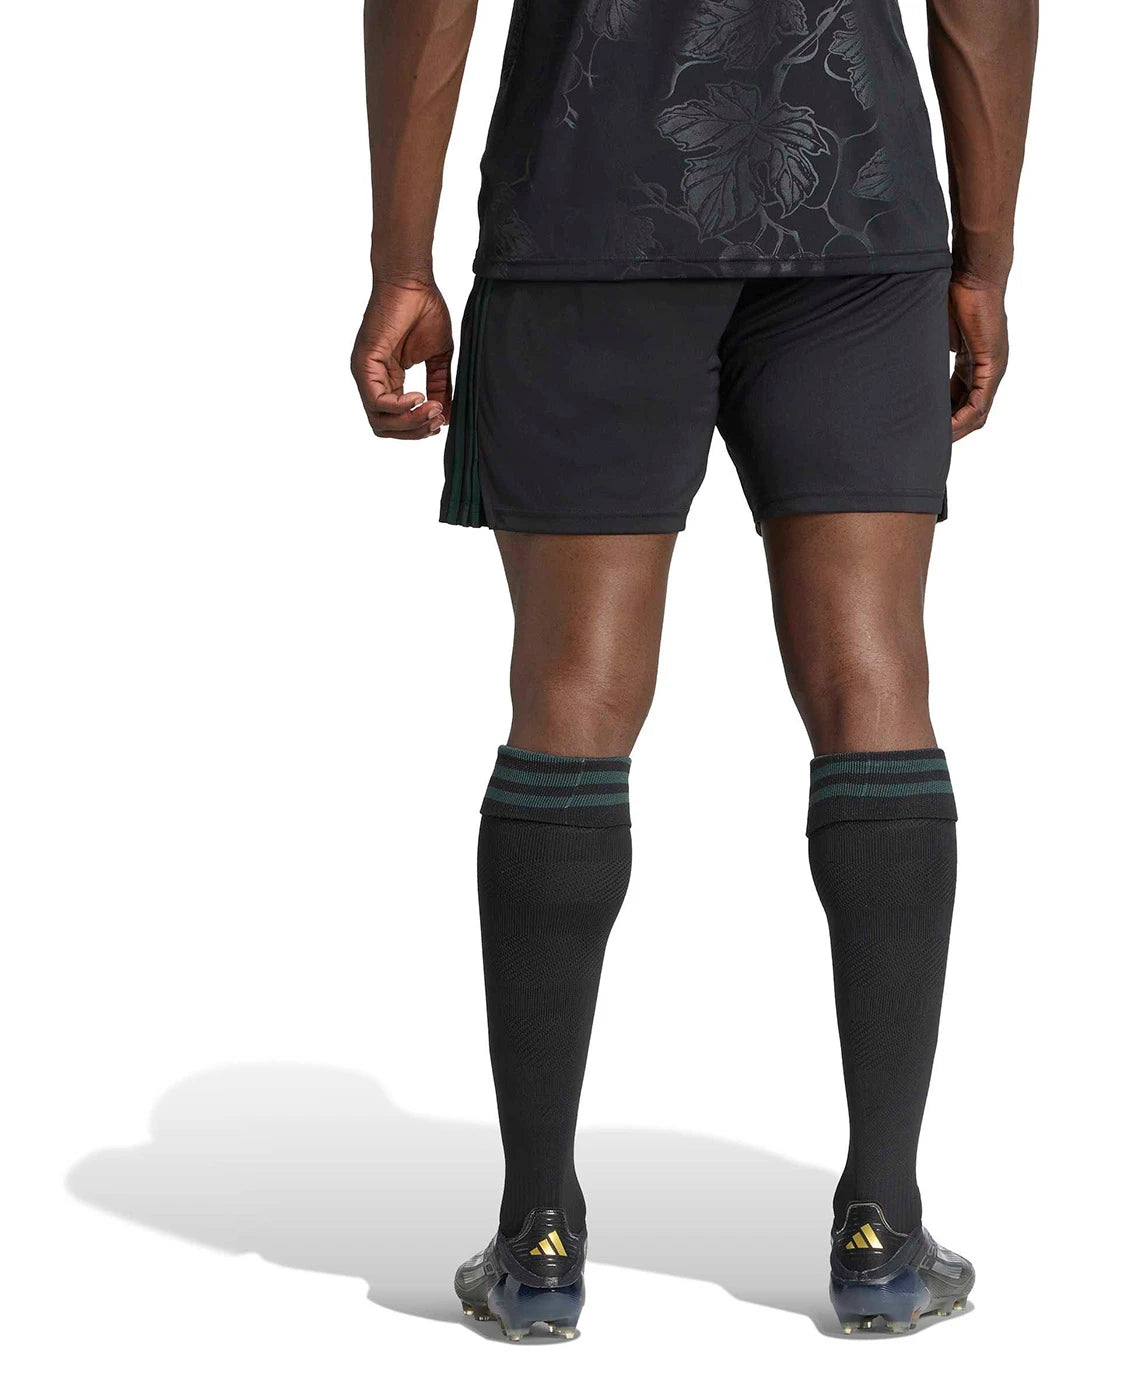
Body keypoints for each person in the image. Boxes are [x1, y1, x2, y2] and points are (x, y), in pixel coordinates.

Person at [352, 0, 1036, 1340]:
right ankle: (881, 1225)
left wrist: (401, 258)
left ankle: (539, 1234)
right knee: (874, 682)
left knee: (572, 691)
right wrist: (986, 260)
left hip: (586, 206)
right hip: (857, 211)